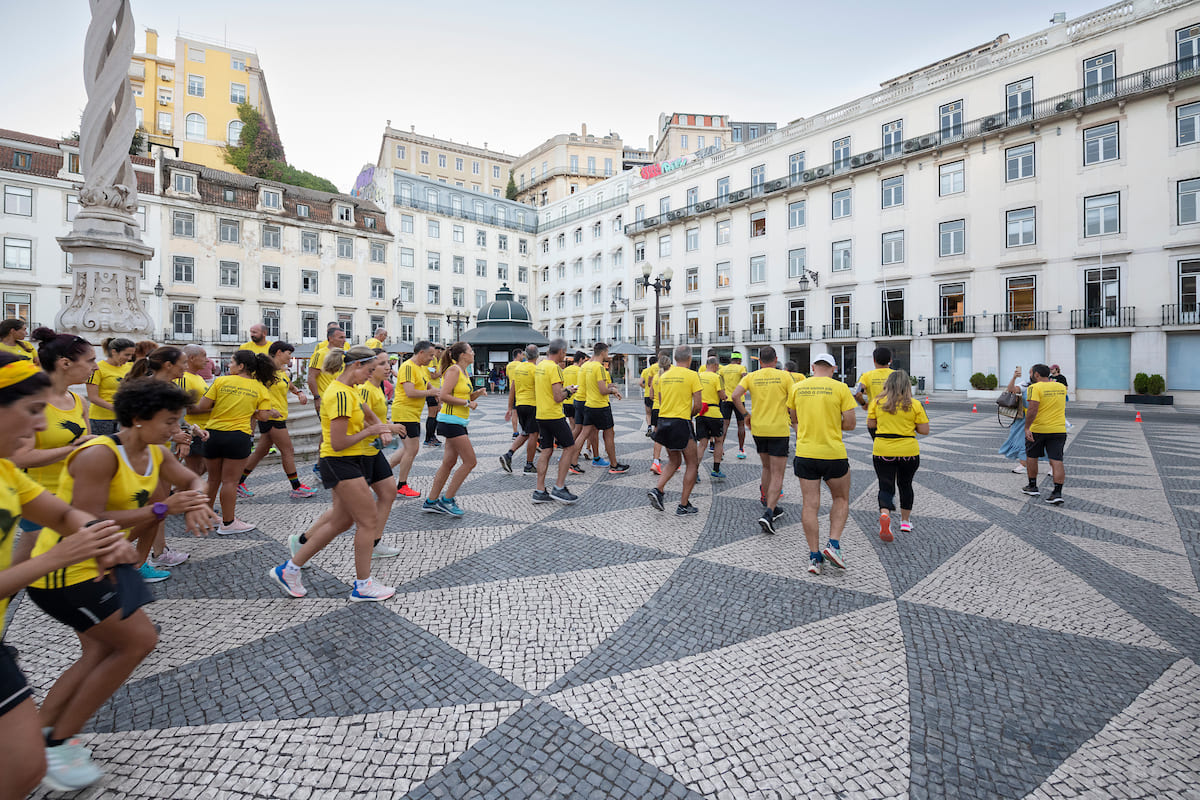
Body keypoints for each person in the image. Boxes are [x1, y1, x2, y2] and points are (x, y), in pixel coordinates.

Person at [27, 377, 216, 790]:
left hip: (105, 565)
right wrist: (165, 507)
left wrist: (195, 500)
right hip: (66, 571)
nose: (175, 429)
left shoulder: (156, 451)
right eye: (169, 421)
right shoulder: (100, 456)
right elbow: (89, 521)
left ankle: (38, 736)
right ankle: (58, 743)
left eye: (177, 421)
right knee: (138, 641)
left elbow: (192, 479)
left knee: (97, 651)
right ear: (136, 417)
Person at [0, 352, 132, 795]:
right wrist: (55, 559)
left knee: (24, 770)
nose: (40, 426)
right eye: (33, 411)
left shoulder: (5, 471)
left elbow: (61, 513)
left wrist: (101, 535)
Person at [273, 346, 403, 601]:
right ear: (356, 366)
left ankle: (289, 569)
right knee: (367, 521)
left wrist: (383, 426)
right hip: (340, 460)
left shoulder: (348, 390)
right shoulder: (340, 394)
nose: (371, 374)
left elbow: (366, 416)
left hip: (347, 460)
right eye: (369, 369)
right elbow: (340, 441)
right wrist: (373, 431)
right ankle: (363, 585)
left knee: (342, 521)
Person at [7, 329, 96, 570]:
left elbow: (83, 446)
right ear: (65, 363)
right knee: (24, 567)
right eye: (90, 361)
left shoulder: (79, 401)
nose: (95, 368)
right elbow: (19, 457)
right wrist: (70, 449)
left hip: (73, 496)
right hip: (36, 497)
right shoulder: (30, 400)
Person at [191, 350, 281, 533]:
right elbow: (264, 417)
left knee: (213, 479)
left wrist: (225, 405)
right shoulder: (260, 388)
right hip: (238, 436)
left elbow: (202, 407)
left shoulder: (221, 381)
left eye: (232, 362)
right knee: (230, 482)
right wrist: (251, 410)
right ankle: (228, 522)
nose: (229, 365)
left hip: (213, 434)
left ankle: (208, 516)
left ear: (241, 366)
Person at [125, 346, 194, 578]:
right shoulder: (148, 389)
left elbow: (175, 421)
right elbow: (134, 424)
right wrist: (176, 435)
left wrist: (187, 433)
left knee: (158, 508)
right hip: (145, 454)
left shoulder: (171, 387)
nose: (186, 366)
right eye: (183, 363)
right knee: (152, 510)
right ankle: (128, 559)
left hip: (161, 452)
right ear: (168, 365)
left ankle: (155, 553)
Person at [788, 353, 857, 575]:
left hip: (806, 452)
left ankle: (814, 557)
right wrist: (832, 422)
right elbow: (851, 424)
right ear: (834, 368)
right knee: (841, 498)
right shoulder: (841, 388)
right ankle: (834, 545)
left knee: (810, 504)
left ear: (812, 367)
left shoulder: (798, 387)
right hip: (833, 453)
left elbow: (794, 418)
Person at [238, 341, 315, 500]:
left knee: (262, 451)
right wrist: (262, 410)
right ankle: (296, 487)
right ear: (279, 352)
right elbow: (253, 392)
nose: (290, 357)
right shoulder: (263, 371)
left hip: (278, 416)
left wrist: (299, 392)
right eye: (289, 354)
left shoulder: (281, 372)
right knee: (288, 451)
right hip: (271, 417)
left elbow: (288, 384)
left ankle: (238, 482)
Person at [731, 346, 795, 532]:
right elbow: (793, 401)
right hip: (779, 429)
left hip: (758, 428)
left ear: (759, 361)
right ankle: (769, 512)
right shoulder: (784, 376)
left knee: (766, 468)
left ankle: (770, 503)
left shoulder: (751, 376)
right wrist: (795, 420)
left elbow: (735, 396)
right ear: (775, 360)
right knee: (778, 473)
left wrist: (745, 415)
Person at [422, 342, 486, 516]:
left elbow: (463, 396)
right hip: (450, 421)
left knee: (449, 462)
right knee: (470, 461)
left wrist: (477, 394)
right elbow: (443, 395)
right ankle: (447, 500)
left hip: (458, 421)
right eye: (471, 351)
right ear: (463, 355)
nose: (474, 353)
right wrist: (467, 403)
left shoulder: (464, 372)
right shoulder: (454, 370)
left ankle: (431, 501)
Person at [867, 370, 929, 541]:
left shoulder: (877, 402)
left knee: (885, 485)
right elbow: (924, 430)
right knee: (906, 484)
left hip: (883, 449)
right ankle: (905, 522)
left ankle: (885, 514)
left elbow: (871, 425)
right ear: (907, 385)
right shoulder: (915, 404)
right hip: (908, 451)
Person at [648, 345, 702, 515]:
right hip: (681, 422)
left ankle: (658, 489)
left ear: (675, 358)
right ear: (690, 358)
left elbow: (661, 401)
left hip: (664, 422)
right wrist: (690, 414)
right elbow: (698, 405)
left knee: (674, 461)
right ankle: (683, 505)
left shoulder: (664, 376)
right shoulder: (693, 375)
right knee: (692, 463)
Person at [531, 339, 583, 505]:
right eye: (565, 352)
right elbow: (557, 396)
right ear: (561, 352)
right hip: (554, 415)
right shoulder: (555, 368)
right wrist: (569, 391)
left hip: (541, 414)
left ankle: (539, 490)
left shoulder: (540, 366)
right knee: (570, 447)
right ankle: (559, 487)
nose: (565, 355)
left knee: (546, 450)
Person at [389, 340, 440, 497]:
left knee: (407, 449)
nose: (432, 358)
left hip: (413, 413)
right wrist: (431, 393)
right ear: (421, 353)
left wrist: (438, 392)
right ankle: (402, 484)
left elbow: (428, 384)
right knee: (412, 449)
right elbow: (410, 392)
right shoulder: (408, 367)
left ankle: (377, 472)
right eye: (431, 355)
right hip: (404, 412)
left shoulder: (422, 368)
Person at [579, 343, 629, 473]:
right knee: (609, 434)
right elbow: (602, 390)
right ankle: (614, 465)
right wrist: (612, 390)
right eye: (607, 352)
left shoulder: (587, 366)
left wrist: (609, 387)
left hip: (588, 404)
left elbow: (588, 386)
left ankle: (571, 462)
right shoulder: (599, 367)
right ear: (603, 352)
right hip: (600, 406)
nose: (608, 355)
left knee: (583, 435)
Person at [1023, 363, 1068, 505]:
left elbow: (1032, 409)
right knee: (1056, 460)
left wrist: (1027, 427)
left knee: (1032, 456)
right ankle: (1057, 492)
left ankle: (1032, 486)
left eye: (1031, 374)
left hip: (1039, 429)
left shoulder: (1034, 387)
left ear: (1036, 375)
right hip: (1059, 429)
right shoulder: (1061, 387)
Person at [306, 326, 348, 473]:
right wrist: (316, 397)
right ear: (330, 338)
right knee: (327, 433)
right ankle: (320, 466)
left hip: (341, 399)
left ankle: (331, 463)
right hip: (325, 400)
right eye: (340, 337)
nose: (344, 340)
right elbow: (311, 377)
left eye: (344, 337)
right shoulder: (320, 354)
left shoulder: (343, 355)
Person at [500, 344, 540, 475]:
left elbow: (512, 388)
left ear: (526, 355)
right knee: (533, 434)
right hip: (532, 404)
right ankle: (529, 465)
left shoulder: (518, 368)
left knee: (525, 433)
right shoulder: (536, 369)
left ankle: (509, 455)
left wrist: (510, 407)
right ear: (537, 355)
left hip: (520, 404)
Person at [85, 337, 135, 435]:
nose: (129, 358)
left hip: (124, 418)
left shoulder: (130, 367)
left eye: (131, 355)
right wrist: (116, 409)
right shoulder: (98, 368)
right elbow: (93, 397)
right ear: (114, 352)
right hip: (101, 419)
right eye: (127, 354)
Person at [175, 345, 211, 477]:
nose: (207, 360)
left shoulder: (199, 377)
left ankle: (180, 492)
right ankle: (179, 493)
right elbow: (187, 409)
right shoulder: (183, 378)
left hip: (203, 429)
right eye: (204, 356)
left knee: (203, 469)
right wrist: (217, 409)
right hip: (192, 429)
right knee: (195, 471)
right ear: (191, 358)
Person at [696, 356, 728, 479]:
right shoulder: (717, 377)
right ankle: (716, 469)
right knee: (719, 441)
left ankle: (695, 472)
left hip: (701, 413)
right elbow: (722, 395)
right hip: (714, 413)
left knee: (702, 444)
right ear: (715, 365)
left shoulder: (698, 376)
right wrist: (725, 397)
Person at [999, 366, 1034, 475]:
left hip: (1041, 419)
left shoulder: (1048, 386)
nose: (1030, 374)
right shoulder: (1025, 384)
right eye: (1030, 372)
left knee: (1046, 443)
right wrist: (1014, 377)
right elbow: (1011, 390)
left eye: (1031, 372)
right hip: (1023, 419)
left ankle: (1052, 467)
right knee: (1021, 441)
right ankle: (1023, 465)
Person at [854, 347, 894, 432]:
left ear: (874, 360)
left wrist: (864, 404)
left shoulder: (866, 376)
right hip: (895, 416)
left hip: (874, 417)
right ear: (890, 360)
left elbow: (857, 393)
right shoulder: (896, 375)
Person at [719, 353, 749, 459]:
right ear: (739, 360)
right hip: (739, 399)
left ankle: (720, 448)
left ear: (732, 359)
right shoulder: (741, 368)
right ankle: (741, 449)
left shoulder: (723, 369)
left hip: (726, 399)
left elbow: (719, 380)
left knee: (724, 425)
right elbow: (745, 378)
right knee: (741, 425)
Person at [649, 351, 671, 474]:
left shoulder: (656, 376)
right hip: (666, 409)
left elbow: (651, 395)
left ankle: (656, 462)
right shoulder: (669, 377)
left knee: (658, 435)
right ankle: (673, 462)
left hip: (656, 408)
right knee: (669, 435)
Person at [423, 345, 445, 447]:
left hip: (435, 389)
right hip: (431, 389)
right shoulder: (433, 361)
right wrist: (441, 370)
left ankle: (432, 436)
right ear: (438, 351)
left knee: (436, 412)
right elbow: (433, 375)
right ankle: (428, 438)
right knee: (432, 414)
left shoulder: (436, 360)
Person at [639, 358, 657, 435]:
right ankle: (657, 429)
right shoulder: (659, 370)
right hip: (657, 395)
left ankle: (649, 427)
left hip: (647, 394)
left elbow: (640, 382)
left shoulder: (645, 371)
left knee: (648, 413)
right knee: (657, 412)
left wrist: (645, 387)